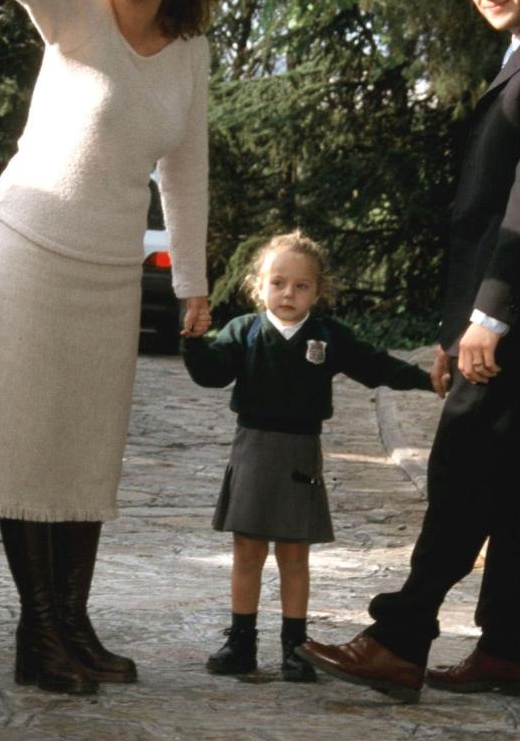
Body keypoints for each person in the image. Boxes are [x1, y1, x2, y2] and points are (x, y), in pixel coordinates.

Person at [298, 0, 520, 703]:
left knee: (464, 471)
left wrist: (491, 319)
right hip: (509, 316)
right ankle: (510, 649)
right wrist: (458, 327)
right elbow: (490, 215)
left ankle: (400, 638)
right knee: (518, 486)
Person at [0, 0, 214, 695]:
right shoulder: (74, 4)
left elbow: (185, 171)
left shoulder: (188, 53)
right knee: (28, 439)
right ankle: (39, 631)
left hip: (109, 269)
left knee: (84, 452)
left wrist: (191, 282)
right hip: (32, 244)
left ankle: (74, 625)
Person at [182, 231, 437, 683]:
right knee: (247, 549)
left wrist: (428, 381)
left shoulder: (327, 337)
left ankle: (294, 646)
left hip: (301, 452)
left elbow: (376, 365)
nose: (288, 293)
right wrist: (194, 341)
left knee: (294, 552)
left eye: (301, 286)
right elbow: (211, 374)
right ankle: (241, 641)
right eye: (278, 283)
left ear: (318, 293)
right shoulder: (244, 331)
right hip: (254, 448)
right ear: (258, 286)